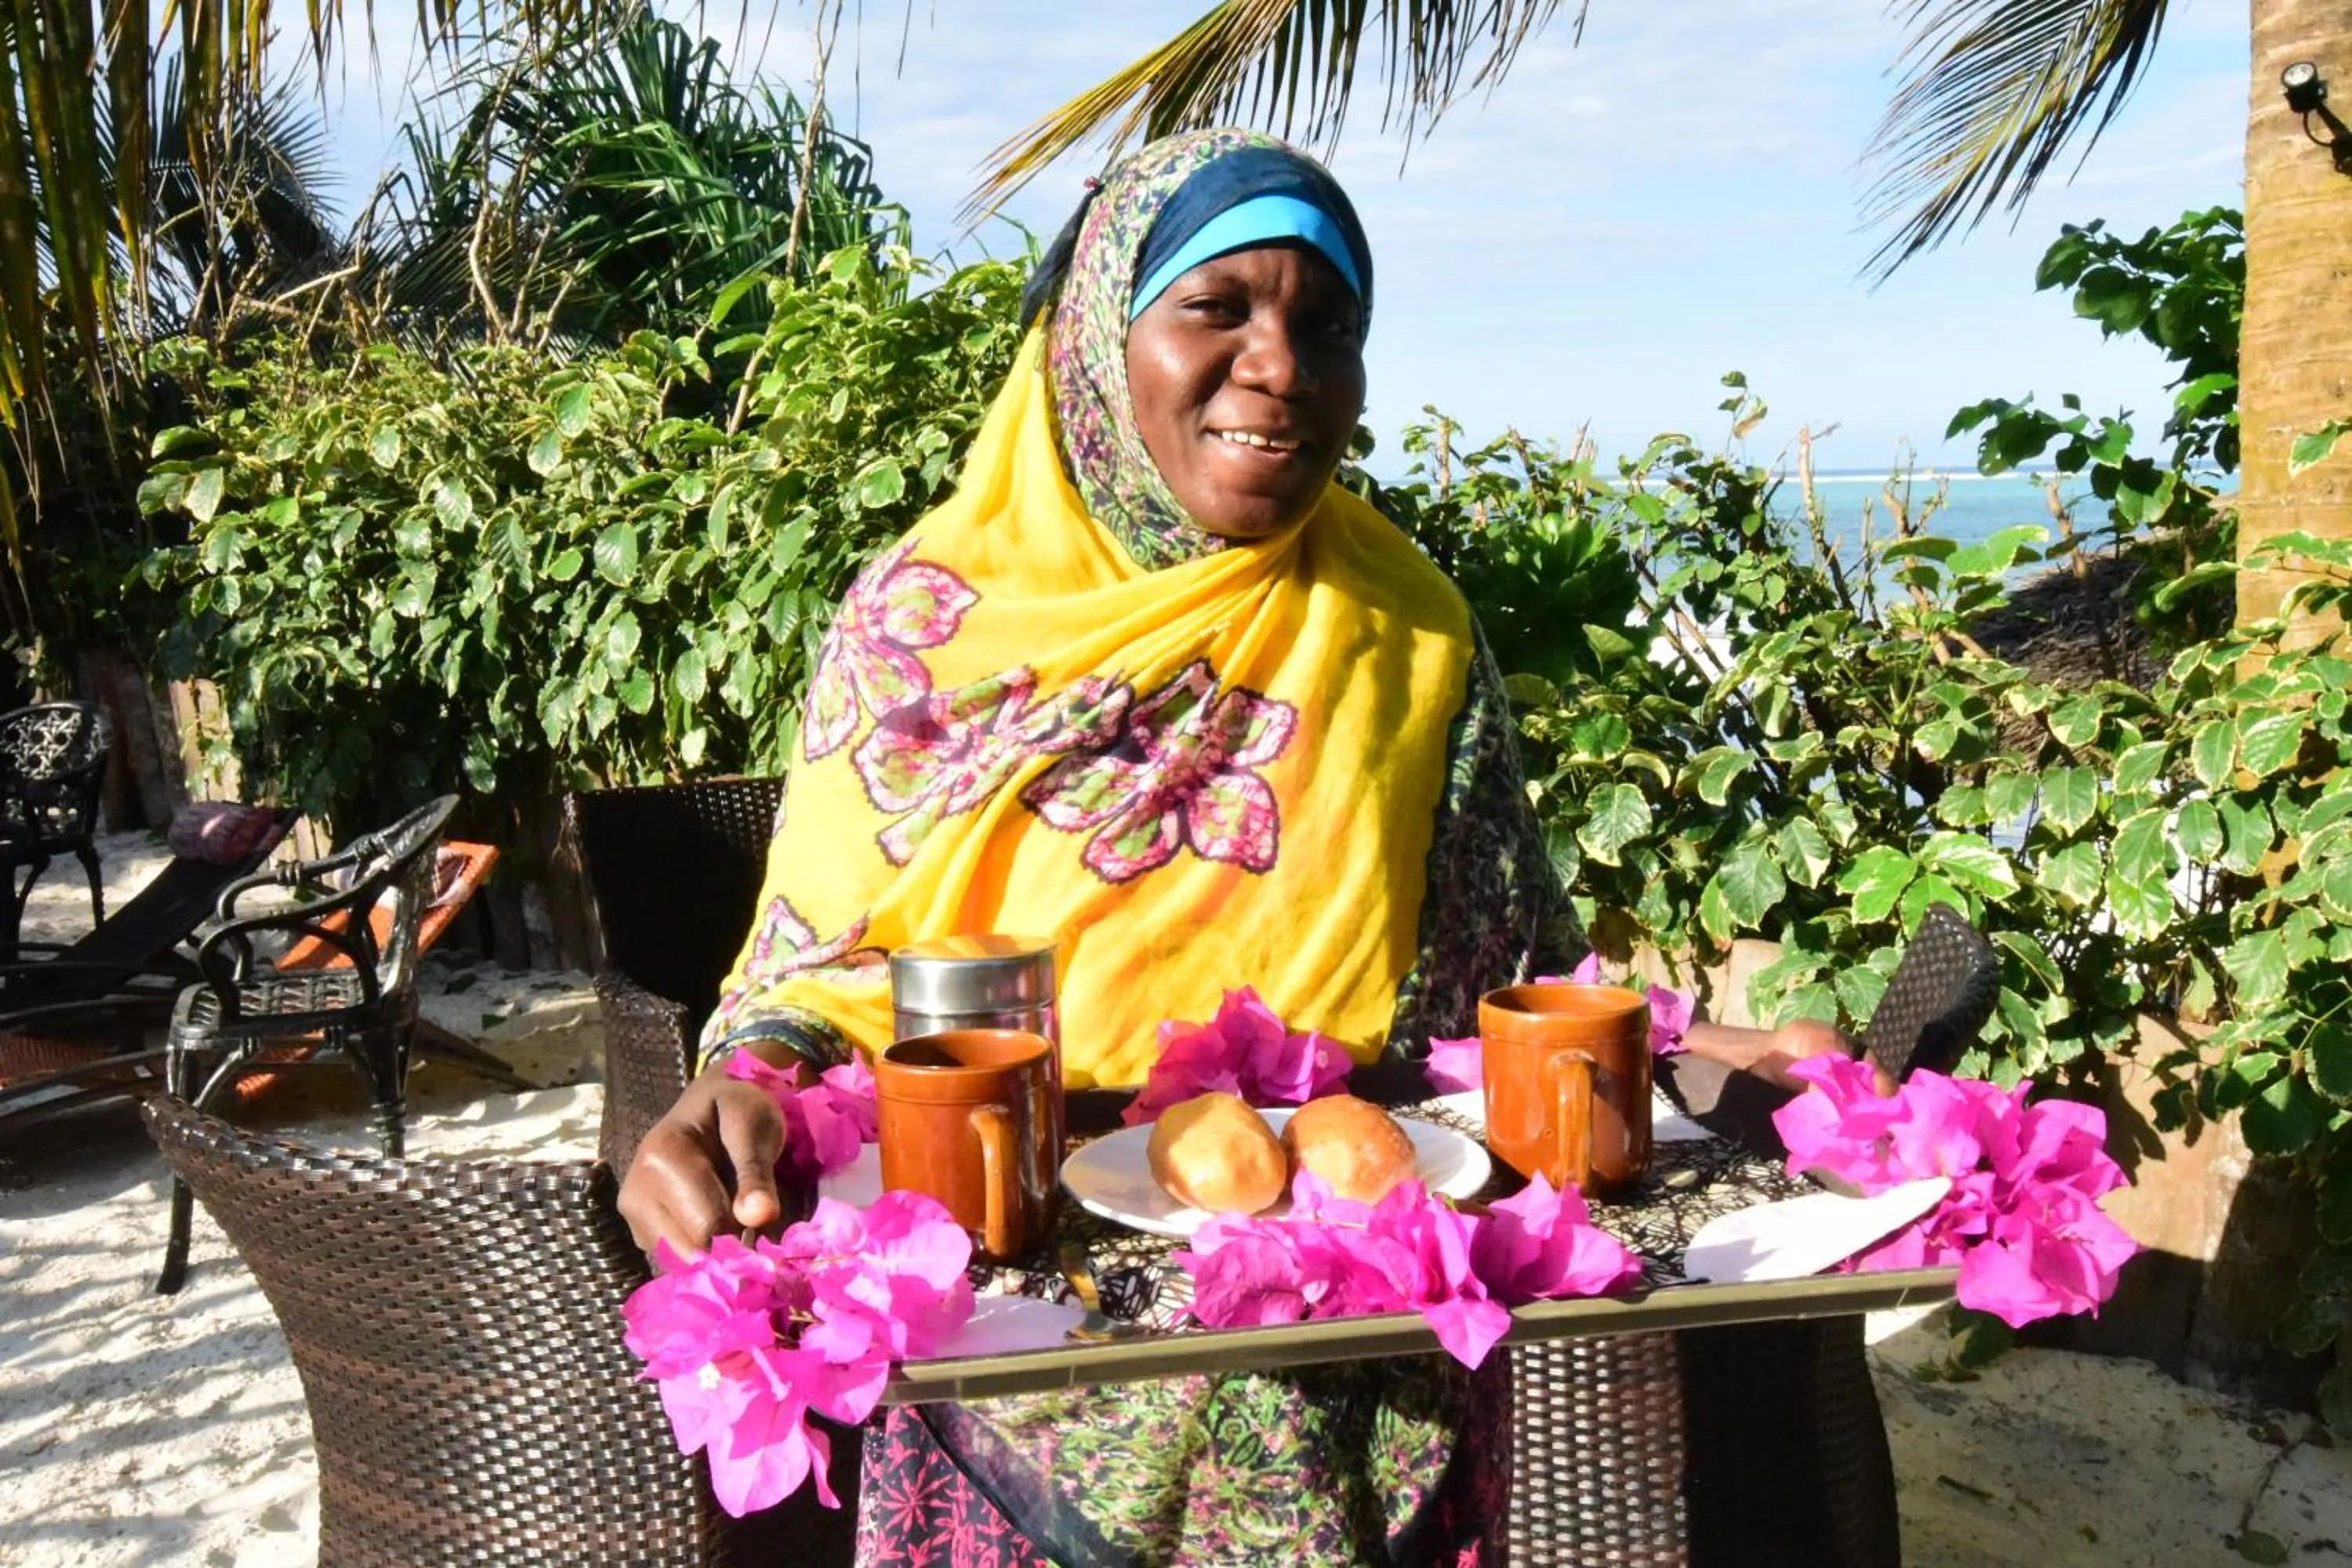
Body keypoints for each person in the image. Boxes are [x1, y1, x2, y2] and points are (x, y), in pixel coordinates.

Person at [619, 127, 1867, 1567]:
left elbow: (1506, 979)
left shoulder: (1405, 630)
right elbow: (814, 967)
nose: (1281, 365)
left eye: (1327, 325)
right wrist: (742, 1080)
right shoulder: (927, 624)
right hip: (1016, 1372)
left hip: (1364, 1361)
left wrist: (1695, 1055)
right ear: (1100, 339)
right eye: (1219, 308)